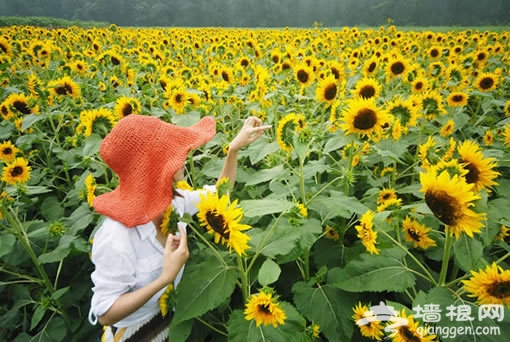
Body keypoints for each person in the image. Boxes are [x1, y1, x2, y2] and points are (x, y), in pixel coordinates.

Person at [87, 114, 271, 342]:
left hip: (175, 317)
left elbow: (219, 193)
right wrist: (166, 278)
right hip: (136, 332)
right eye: (173, 154)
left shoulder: (174, 201)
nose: (182, 158)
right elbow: (105, 313)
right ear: (156, 167)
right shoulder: (117, 235)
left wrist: (233, 149)